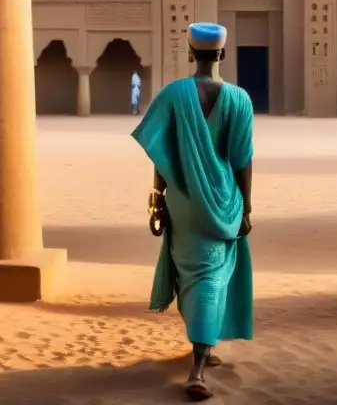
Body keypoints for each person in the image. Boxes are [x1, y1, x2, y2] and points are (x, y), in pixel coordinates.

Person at [131, 22, 254, 401]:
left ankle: (200, 356)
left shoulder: (173, 95)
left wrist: (157, 195)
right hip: (223, 202)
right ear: (222, 55)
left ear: (190, 53)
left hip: (183, 202)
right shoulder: (239, 100)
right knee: (211, 276)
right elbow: (243, 160)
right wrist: (247, 206)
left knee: (192, 276)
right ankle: (201, 358)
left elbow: (160, 150)